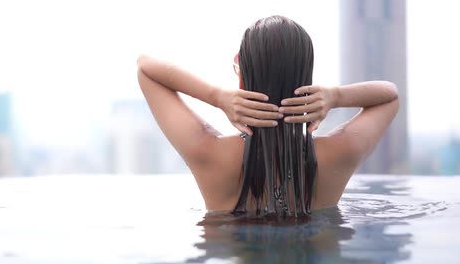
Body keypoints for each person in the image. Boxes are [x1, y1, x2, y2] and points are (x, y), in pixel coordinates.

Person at [137, 15, 399, 216]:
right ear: (306, 78)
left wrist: (215, 96)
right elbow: (390, 96)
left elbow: (145, 67)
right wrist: (337, 96)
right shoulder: (340, 152)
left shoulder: (208, 151)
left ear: (242, 75)